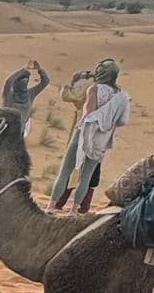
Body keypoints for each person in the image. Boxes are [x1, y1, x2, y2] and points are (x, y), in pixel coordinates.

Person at [50, 57, 129, 213]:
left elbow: (87, 113)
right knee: (85, 177)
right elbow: (122, 120)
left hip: (84, 133)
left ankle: (51, 206)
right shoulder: (120, 95)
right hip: (102, 138)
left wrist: (74, 80)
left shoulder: (93, 89)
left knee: (65, 171)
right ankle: (74, 210)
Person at [2, 58, 50, 138]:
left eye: (26, 79)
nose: (24, 81)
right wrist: (24, 68)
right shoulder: (9, 95)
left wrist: (40, 69)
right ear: (16, 81)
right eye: (22, 79)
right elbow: (8, 81)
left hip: (20, 135)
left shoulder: (30, 93)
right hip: (5, 134)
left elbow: (46, 81)